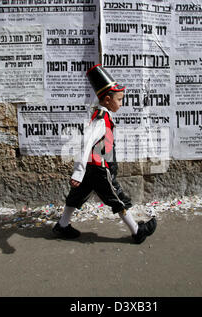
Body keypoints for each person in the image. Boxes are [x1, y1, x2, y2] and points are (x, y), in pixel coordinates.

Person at [53, 64, 156, 244]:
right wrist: (78, 171)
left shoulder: (100, 115)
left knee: (76, 196)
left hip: (92, 169)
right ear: (108, 99)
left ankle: (62, 225)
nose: (121, 103)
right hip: (99, 170)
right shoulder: (101, 119)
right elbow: (86, 143)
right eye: (120, 99)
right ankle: (137, 231)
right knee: (117, 198)